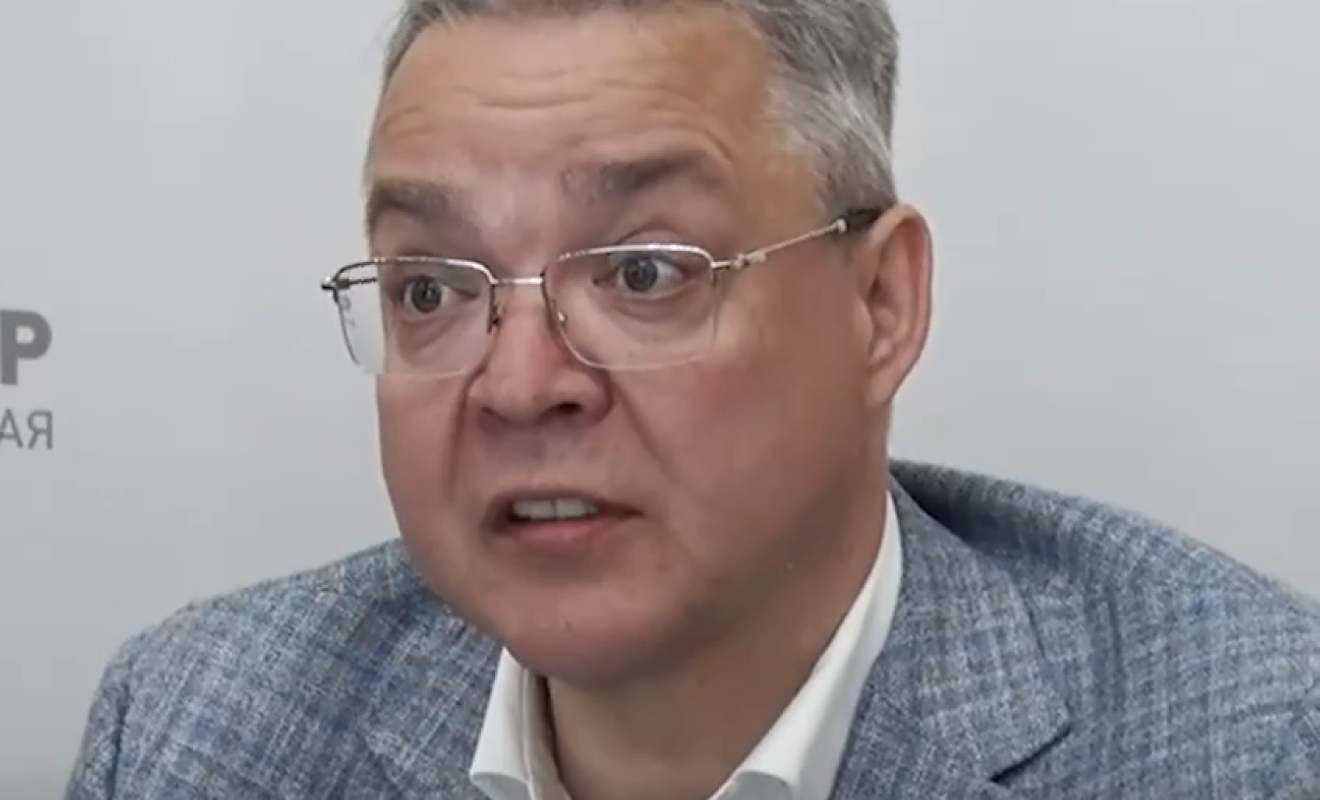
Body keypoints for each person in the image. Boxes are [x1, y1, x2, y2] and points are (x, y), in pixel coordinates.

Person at [65, 0, 1320, 797]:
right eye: (432, 288)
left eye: (645, 272)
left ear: (879, 304)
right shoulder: (193, 728)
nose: (520, 384)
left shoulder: (1249, 739)